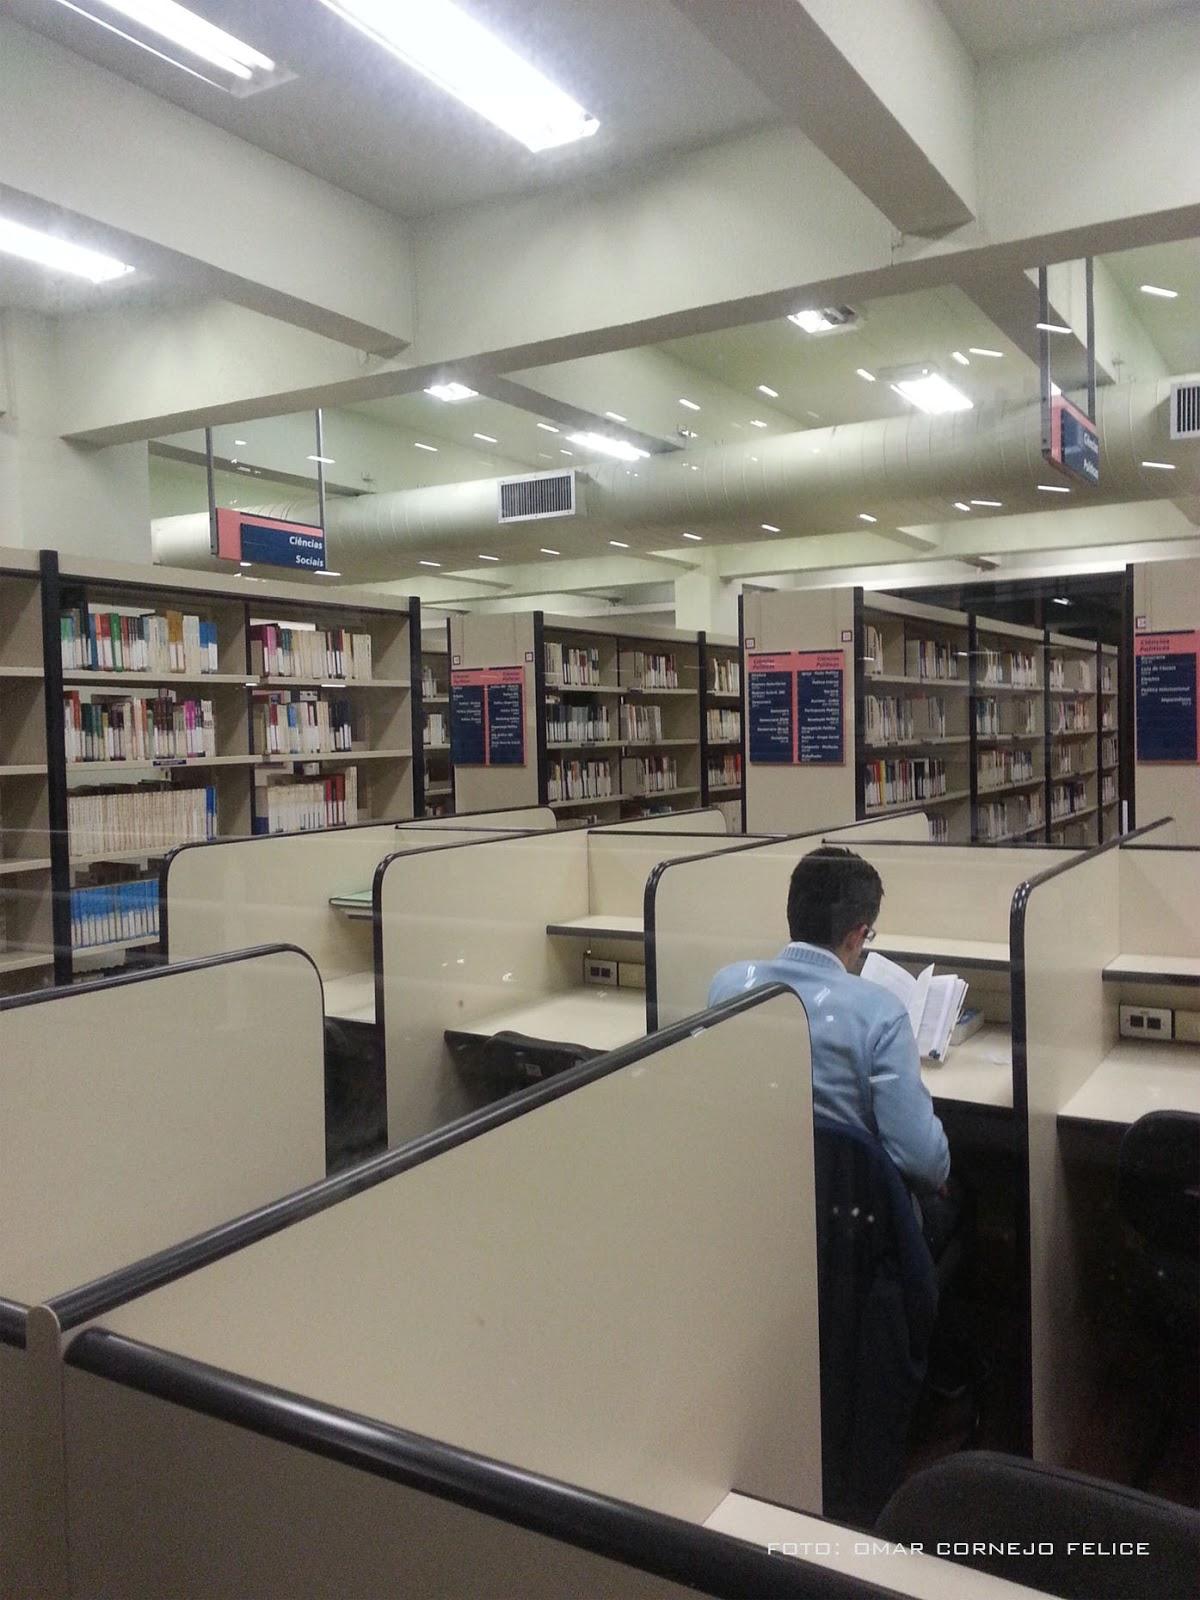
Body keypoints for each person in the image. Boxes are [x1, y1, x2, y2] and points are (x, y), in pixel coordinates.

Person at [708, 844, 950, 1205]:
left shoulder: (729, 986)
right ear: (857, 934)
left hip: (753, 1203)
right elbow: (923, 1162)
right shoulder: (882, 1014)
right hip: (853, 1222)